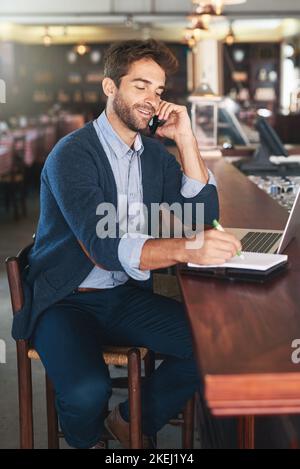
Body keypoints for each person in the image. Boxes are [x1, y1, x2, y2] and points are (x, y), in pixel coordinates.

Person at [12, 39, 241, 449]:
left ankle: (129, 420)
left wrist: (186, 139)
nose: (152, 99)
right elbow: (104, 247)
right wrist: (187, 249)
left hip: (123, 294)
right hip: (66, 299)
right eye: (140, 86)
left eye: (158, 90)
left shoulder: (153, 156)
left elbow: (203, 216)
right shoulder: (73, 154)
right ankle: (89, 442)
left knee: (213, 349)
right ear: (110, 88)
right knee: (86, 392)